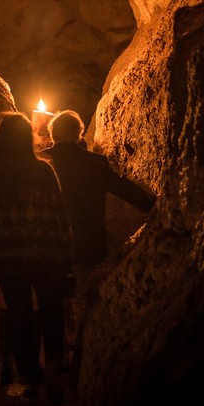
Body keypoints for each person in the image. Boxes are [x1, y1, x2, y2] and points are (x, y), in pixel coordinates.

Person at [41, 109, 157, 373]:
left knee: (53, 303)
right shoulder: (94, 164)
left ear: (53, 134)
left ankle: (55, 361)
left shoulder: (42, 163)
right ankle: (80, 358)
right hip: (88, 244)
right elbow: (122, 188)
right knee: (83, 301)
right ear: (79, 133)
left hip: (51, 247)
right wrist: (153, 203)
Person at [0, 112, 72, 403]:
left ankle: (28, 377)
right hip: (45, 251)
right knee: (52, 308)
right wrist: (66, 253)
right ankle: (53, 368)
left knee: (18, 313)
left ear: (0, 140)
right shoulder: (43, 171)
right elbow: (61, 215)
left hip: (7, 255)